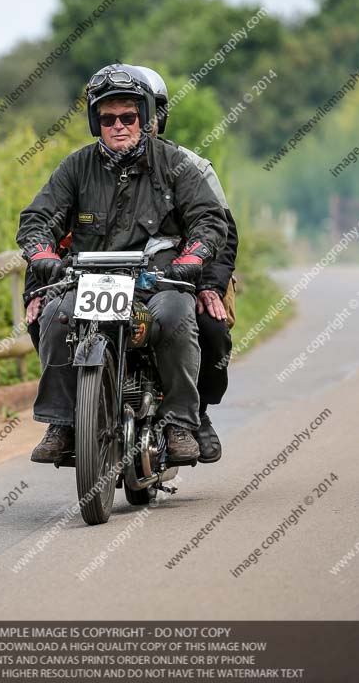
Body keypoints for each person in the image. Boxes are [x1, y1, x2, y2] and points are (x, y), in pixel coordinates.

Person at [16, 64, 228, 465]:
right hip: (89, 281)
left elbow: (209, 220)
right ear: (96, 123)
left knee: (179, 315)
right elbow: (38, 219)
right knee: (56, 315)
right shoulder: (75, 167)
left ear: (146, 119)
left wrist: (192, 259)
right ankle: (62, 423)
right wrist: (42, 257)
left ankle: (181, 421)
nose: (118, 126)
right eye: (107, 118)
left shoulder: (177, 165)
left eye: (128, 117)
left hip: (159, 281)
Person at [134, 66, 238, 463]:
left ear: (158, 116)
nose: (136, 123)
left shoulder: (192, 165)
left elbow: (223, 231)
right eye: (115, 114)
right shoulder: (90, 167)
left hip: (186, 273)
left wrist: (208, 284)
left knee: (210, 329)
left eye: (143, 112)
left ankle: (197, 415)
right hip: (115, 277)